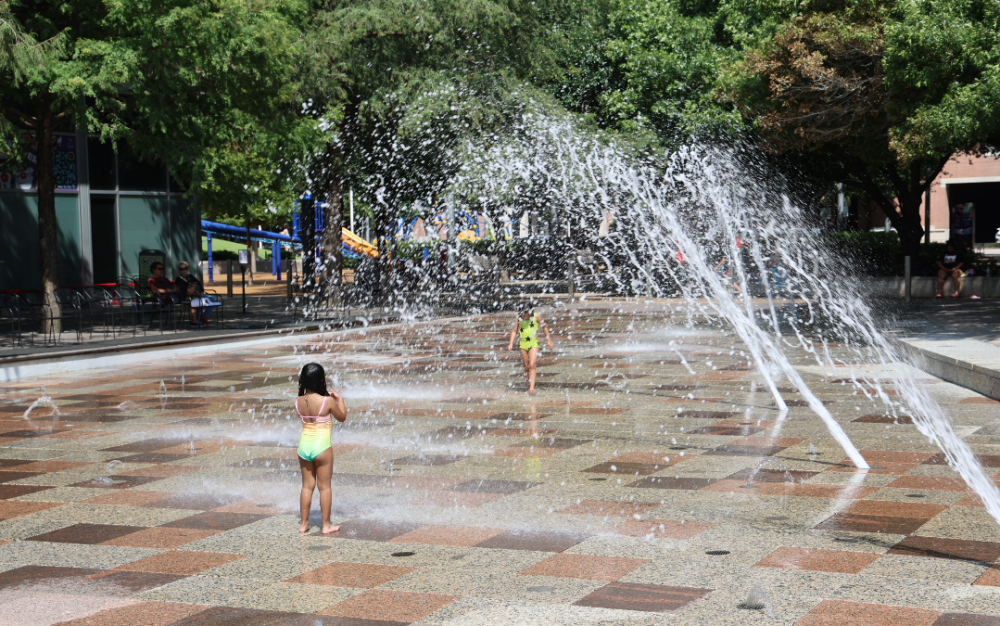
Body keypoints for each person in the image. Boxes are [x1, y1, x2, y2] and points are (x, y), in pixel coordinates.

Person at [295, 363, 347, 534]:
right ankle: (326, 525)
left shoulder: (298, 401)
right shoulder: (328, 401)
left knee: (307, 486)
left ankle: (303, 524)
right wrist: (340, 400)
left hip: (304, 446)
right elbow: (342, 417)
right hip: (322, 446)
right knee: (324, 487)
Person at [508, 309, 554, 396]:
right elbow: (515, 330)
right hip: (523, 344)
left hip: (534, 343)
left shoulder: (536, 316)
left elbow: (544, 327)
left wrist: (549, 340)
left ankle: (532, 387)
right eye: (524, 315)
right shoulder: (518, 317)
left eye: (527, 315)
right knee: (526, 366)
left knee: (532, 365)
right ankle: (529, 388)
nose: (525, 317)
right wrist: (511, 343)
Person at [174, 262, 213, 327]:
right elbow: (183, 289)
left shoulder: (191, 276)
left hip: (195, 295)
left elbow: (199, 284)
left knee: (213, 299)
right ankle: (197, 319)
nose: (184, 270)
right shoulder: (179, 278)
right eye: (181, 269)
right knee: (204, 299)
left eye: (185, 268)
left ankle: (204, 317)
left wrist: (200, 291)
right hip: (187, 296)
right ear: (179, 270)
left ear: (188, 269)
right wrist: (194, 288)